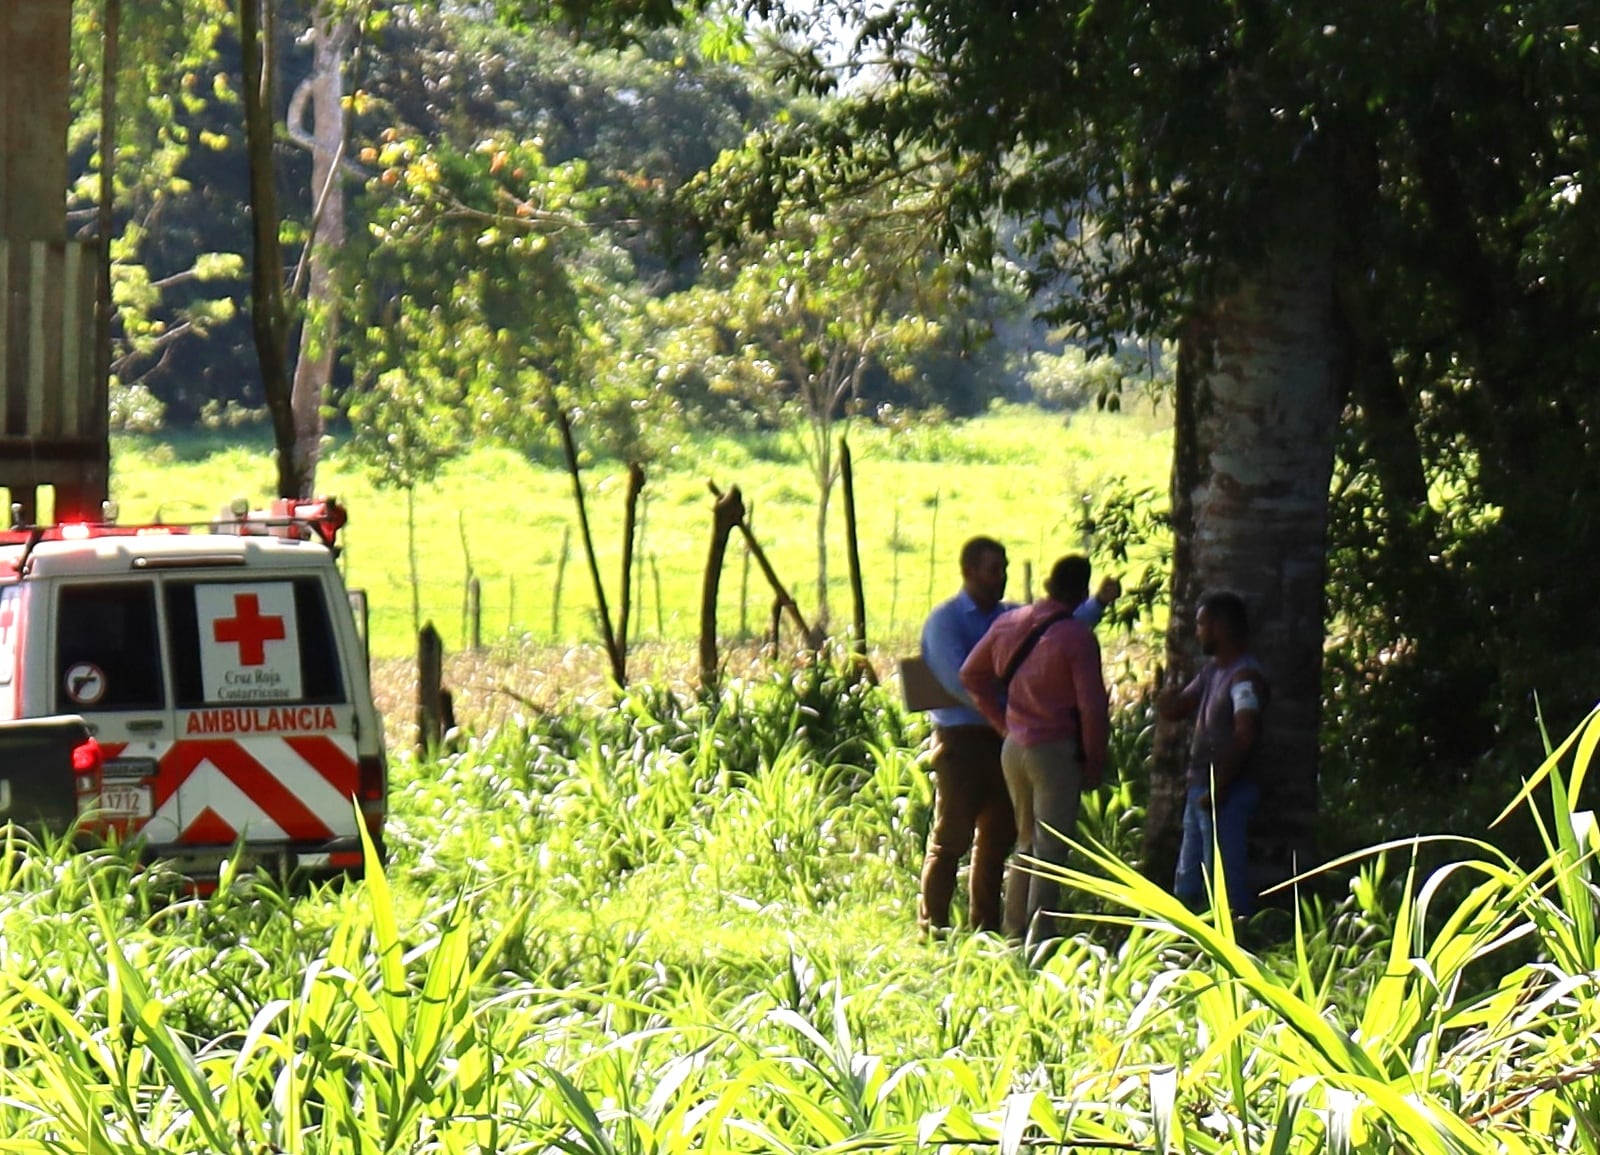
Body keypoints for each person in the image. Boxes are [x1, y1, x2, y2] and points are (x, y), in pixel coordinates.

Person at [918, 538, 1117, 935]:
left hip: (1007, 739)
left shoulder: (1012, 617)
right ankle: (934, 924)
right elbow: (961, 681)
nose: (1002, 576)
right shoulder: (946, 621)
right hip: (963, 738)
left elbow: (1062, 630)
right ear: (969, 571)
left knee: (1000, 837)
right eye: (994, 568)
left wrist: (1097, 604)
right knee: (952, 836)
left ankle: (988, 925)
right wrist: (1010, 711)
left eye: (1005, 567)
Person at [1156, 591, 1268, 917]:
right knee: (1189, 879)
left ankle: (1235, 944)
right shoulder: (1212, 672)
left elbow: (1245, 734)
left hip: (1225, 791)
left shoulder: (1243, 677)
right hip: (1202, 789)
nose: (1198, 631)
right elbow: (1180, 707)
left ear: (1220, 627)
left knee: (1224, 880)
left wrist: (1219, 788)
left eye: (1202, 624)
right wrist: (1165, 699)